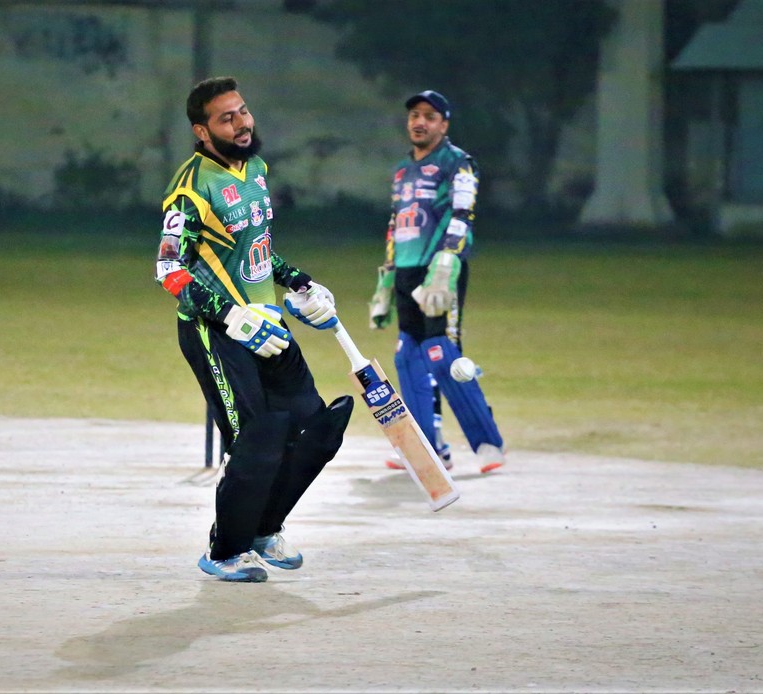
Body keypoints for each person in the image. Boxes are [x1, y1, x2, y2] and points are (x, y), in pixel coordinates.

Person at [154, 76, 354, 583]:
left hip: (267, 323)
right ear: (202, 131)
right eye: (226, 118)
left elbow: (256, 249)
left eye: (242, 111)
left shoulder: (256, 169)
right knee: (257, 439)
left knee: (314, 428)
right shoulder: (190, 187)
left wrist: (301, 282)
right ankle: (226, 551)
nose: (242, 123)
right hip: (216, 331)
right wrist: (230, 315)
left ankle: (264, 529)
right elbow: (169, 269)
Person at [367, 89, 504, 472]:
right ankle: (426, 447)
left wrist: (446, 263)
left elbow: (463, 214)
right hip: (406, 269)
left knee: (441, 354)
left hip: (441, 269)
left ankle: (488, 444)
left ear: (444, 124)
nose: (420, 122)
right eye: (414, 114)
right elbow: (395, 224)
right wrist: (385, 282)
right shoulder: (401, 170)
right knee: (407, 355)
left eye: (429, 116)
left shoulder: (458, 162)